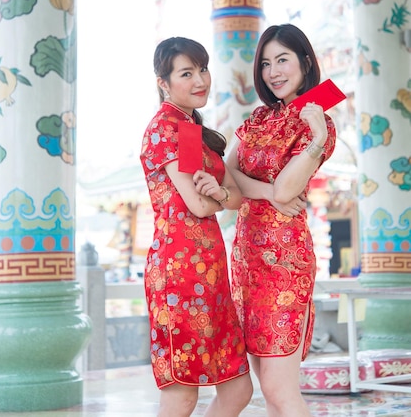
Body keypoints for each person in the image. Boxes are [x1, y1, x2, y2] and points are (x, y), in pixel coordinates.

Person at [227, 24, 337, 417]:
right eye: (267, 63)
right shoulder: (257, 119)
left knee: (279, 387)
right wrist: (264, 192)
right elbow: (227, 176)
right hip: (246, 260)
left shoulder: (317, 123)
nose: (273, 71)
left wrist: (315, 141)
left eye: (283, 60)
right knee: (270, 391)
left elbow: (290, 190)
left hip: (284, 261)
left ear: (305, 62)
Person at [140, 37, 252, 417]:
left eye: (202, 69)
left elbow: (232, 198)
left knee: (238, 390)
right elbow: (198, 205)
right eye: (186, 73)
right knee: (182, 392)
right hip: (179, 274)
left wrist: (219, 194)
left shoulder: (194, 130)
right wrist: (218, 197)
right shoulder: (166, 128)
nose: (200, 79)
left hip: (211, 271)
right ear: (163, 82)